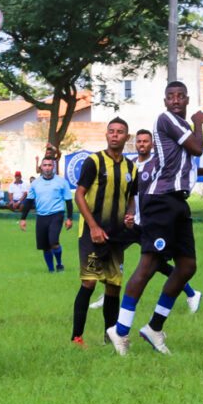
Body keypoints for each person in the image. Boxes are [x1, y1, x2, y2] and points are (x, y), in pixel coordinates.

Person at [108, 81, 203, 356]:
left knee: (187, 266)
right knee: (149, 263)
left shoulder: (181, 127)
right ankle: (120, 331)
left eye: (180, 96)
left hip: (178, 203)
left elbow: (182, 161)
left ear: (187, 98)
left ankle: (154, 327)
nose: (175, 100)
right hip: (161, 201)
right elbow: (196, 148)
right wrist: (199, 122)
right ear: (165, 101)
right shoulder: (167, 119)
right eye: (170, 96)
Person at [90, 128, 203, 312]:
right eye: (139, 141)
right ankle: (108, 294)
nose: (142, 144)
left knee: (156, 263)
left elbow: (183, 169)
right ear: (135, 143)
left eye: (146, 141)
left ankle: (192, 293)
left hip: (150, 222)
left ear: (152, 144)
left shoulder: (157, 164)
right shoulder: (131, 164)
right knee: (111, 250)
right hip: (131, 221)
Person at [71, 117, 141, 348]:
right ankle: (77, 338)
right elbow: (79, 195)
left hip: (116, 236)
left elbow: (131, 198)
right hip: (92, 234)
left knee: (113, 285)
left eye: (120, 132)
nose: (114, 135)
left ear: (126, 138)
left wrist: (130, 215)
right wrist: (93, 226)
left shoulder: (131, 168)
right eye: (111, 131)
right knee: (89, 283)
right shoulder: (94, 161)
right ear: (106, 134)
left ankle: (109, 337)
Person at [19, 157, 74, 272]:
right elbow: (29, 201)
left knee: (53, 241)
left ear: (53, 167)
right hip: (41, 216)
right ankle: (51, 270)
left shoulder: (61, 182)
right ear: (41, 167)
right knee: (45, 246)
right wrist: (23, 219)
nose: (47, 168)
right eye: (45, 165)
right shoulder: (35, 183)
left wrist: (69, 218)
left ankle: (59, 264)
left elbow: (68, 200)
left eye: (49, 165)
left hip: (56, 214)